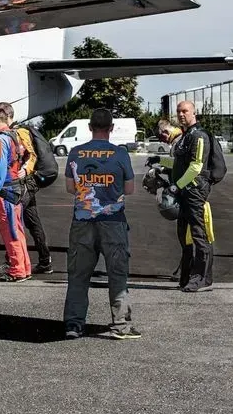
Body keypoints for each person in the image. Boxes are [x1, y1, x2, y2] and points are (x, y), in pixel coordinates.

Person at [63, 108, 139, 339]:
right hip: (113, 222)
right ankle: (121, 325)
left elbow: (70, 188)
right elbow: (129, 189)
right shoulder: (120, 154)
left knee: (78, 274)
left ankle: (74, 324)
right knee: (117, 274)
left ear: (90, 127)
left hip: (82, 220)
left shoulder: (75, 152)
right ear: (111, 128)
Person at [153, 101, 215, 292]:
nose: (181, 114)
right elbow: (179, 163)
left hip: (194, 192)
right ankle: (187, 276)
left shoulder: (199, 136)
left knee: (199, 234)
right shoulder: (186, 135)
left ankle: (202, 279)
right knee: (184, 236)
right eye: (179, 111)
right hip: (183, 192)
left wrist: (176, 186)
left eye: (185, 111)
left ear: (194, 113)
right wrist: (159, 160)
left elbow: (196, 167)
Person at [0, 102, 53, 275]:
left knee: (14, 222)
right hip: (27, 182)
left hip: (25, 182)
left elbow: (31, 154)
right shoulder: (15, 132)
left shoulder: (18, 133)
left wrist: (25, 170)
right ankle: (43, 261)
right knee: (31, 221)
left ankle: (13, 263)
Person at [0, 107, 32, 282]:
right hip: (16, 188)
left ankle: (17, 270)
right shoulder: (15, 136)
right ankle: (24, 267)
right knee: (18, 230)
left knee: (10, 231)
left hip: (6, 190)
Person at [147, 118, 184, 282]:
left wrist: (158, 161)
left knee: (186, 233)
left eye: (161, 137)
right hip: (183, 189)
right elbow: (176, 166)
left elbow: (180, 166)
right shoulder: (179, 141)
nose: (162, 141)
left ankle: (187, 270)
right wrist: (161, 168)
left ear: (166, 132)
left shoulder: (179, 142)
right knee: (185, 233)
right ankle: (185, 269)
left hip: (184, 192)